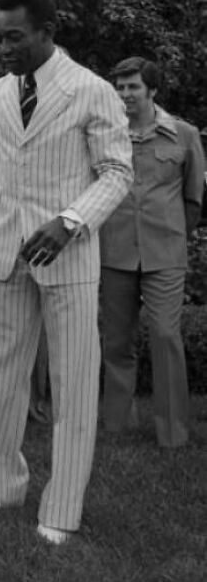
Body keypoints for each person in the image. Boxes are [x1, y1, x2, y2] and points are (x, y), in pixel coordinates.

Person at [0, 0, 133, 545]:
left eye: (15, 37)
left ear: (47, 31)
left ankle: (60, 511)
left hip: (68, 257)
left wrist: (70, 221)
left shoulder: (92, 90)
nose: (3, 48)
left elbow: (117, 174)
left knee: (73, 382)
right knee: (0, 375)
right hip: (7, 254)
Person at [99, 57, 205, 447]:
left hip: (165, 255)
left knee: (165, 334)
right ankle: (117, 425)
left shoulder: (184, 134)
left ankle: (173, 432)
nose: (125, 94)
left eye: (133, 87)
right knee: (116, 340)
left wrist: (174, 236)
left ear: (153, 90)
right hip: (115, 252)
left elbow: (193, 199)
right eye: (120, 87)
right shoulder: (105, 134)